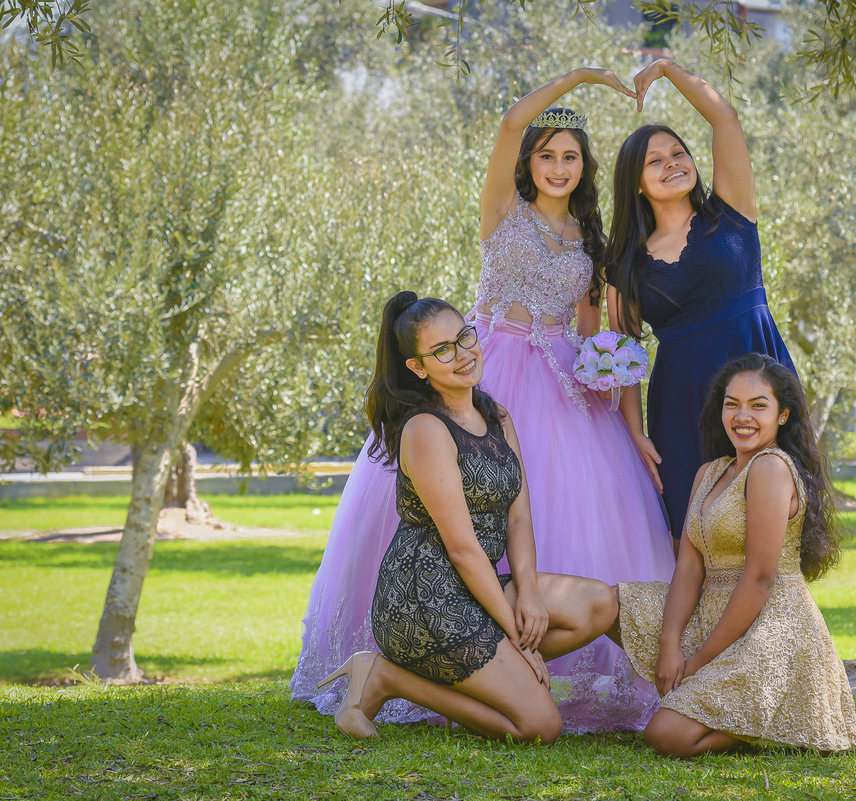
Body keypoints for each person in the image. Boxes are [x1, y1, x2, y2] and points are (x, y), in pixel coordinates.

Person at [470, 68, 676, 731]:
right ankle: (465, 653)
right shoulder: (503, 210)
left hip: (565, 388)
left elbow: (599, 340)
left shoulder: (592, 242)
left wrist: (629, 420)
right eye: (547, 155)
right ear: (528, 161)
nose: (559, 167)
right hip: (493, 372)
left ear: (584, 167)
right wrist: (583, 77)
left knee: (578, 509)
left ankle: (549, 665)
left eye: (571, 157)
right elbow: (510, 122)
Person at [319, 291, 620, 742]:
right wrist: (516, 636)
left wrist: (529, 594)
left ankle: (495, 673)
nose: (462, 354)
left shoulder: (496, 416)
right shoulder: (425, 430)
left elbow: (519, 519)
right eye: (442, 350)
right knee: (540, 726)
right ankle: (386, 677)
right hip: (425, 599)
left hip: (475, 588)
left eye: (464, 337)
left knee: (597, 604)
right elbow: (462, 549)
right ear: (418, 367)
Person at [613, 354, 856, 756]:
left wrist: (697, 663)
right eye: (732, 404)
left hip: (772, 625)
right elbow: (689, 565)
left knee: (665, 735)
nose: (743, 416)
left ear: (783, 415)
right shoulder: (709, 472)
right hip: (711, 612)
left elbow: (759, 578)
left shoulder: (771, 468)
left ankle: (779, 720)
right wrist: (670, 643)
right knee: (609, 603)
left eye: (758, 405)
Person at [605, 58, 796, 544]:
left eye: (678, 152)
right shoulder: (625, 265)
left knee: (774, 518)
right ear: (636, 183)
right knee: (691, 531)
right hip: (679, 400)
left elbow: (724, 117)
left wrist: (667, 69)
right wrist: (635, 432)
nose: (672, 163)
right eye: (655, 161)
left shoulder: (730, 209)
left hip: (758, 370)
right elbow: (624, 356)